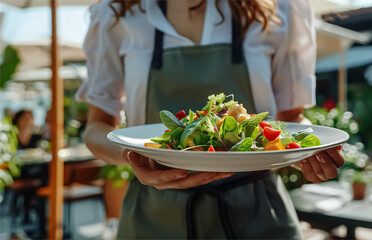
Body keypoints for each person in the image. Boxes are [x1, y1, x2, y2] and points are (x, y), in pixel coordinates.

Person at [76, 0, 345, 238]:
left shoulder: (279, 10)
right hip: (154, 217)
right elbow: (97, 128)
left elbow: (291, 121)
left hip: (257, 213)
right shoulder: (116, 15)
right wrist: (132, 156)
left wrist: (306, 153)